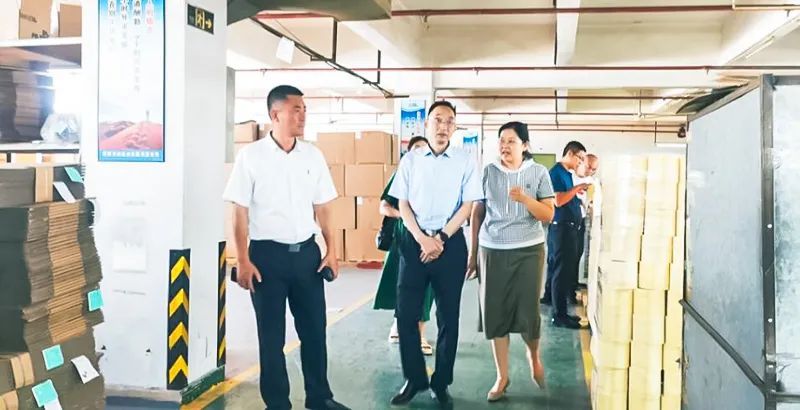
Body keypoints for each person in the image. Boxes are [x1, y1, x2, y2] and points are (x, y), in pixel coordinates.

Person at [223, 85, 350, 410]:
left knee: (315, 332)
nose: (302, 115)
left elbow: (323, 207)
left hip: (307, 257)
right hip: (267, 259)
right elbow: (239, 212)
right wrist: (243, 260)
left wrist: (331, 250)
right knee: (271, 338)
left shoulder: (313, 156)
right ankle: (277, 403)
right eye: (296, 110)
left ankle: (320, 398)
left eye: (304, 109)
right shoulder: (251, 157)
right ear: (275, 114)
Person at [388, 101, 482, 409]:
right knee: (406, 314)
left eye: (449, 121)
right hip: (414, 243)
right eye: (438, 120)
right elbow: (402, 204)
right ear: (426, 125)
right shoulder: (411, 160)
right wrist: (422, 239)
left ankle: (441, 382)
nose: (443, 126)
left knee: (448, 317)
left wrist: (439, 239)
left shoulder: (465, 160)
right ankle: (415, 377)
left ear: (455, 128)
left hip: (449, 245)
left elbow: (467, 205)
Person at [467, 122, 555, 402]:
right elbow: (477, 213)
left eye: (511, 141)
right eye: (501, 141)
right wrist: (473, 254)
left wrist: (525, 199)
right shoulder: (488, 172)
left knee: (528, 312)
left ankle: (534, 356)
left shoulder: (538, 172)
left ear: (524, 146)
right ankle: (502, 376)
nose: (504, 146)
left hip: (529, 250)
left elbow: (548, 215)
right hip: (492, 250)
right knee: (495, 314)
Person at [373, 136, 436, 356]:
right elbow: (384, 206)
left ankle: (420, 335)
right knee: (402, 286)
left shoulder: (437, 177)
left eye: (424, 150)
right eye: (416, 149)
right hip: (403, 240)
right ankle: (398, 324)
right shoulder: (401, 175)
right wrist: (404, 216)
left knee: (426, 288)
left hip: (430, 238)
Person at [542, 141, 589, 329]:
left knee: (563, 272)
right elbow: (558, 200)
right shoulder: (556, 173)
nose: (580, 163)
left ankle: (561, 312)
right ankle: (559, 315)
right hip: (561, 229)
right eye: (580, 158)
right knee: (560, 273)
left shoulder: (566, 174)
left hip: (568, 228)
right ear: (570, 153)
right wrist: (577, 188)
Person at [572, 154, 600, 296]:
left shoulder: (592, 182)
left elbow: (592, 202)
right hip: (567, 222)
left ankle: (573, 285)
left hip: (583, 221)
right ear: (582, 162)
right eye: (589, 167)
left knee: (578, 253)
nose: (590, 171)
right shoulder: (571, 178)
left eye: (594, 169)